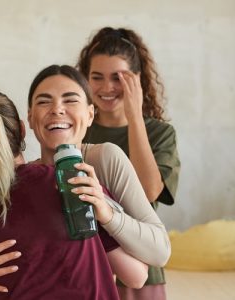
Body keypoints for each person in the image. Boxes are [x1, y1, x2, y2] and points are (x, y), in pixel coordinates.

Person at [0, 65, 172, 293]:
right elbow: (136, 274)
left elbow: (155, 257)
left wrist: (105, 211)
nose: (57, 109)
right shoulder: (56, 184)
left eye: (70, 100)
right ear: (25, 124)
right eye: (44, 101)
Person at [77, 26, 181, 299]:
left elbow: (148, 194)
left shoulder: (160, 134)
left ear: (136, 80)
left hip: (141, 272)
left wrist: (135, 117)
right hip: (84, 268)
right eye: (96, 77)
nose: (107, 87)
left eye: (118, 78)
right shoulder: (77, 132)